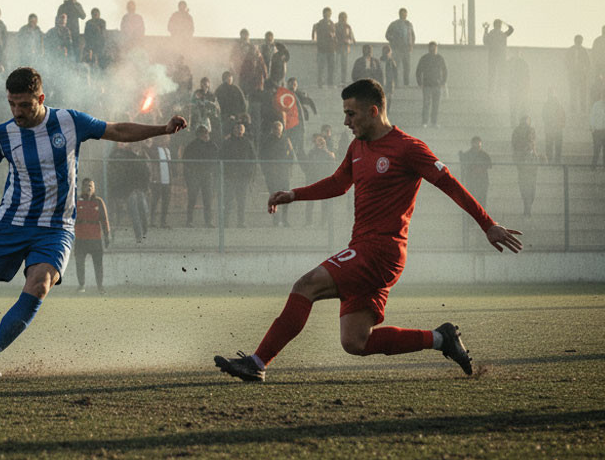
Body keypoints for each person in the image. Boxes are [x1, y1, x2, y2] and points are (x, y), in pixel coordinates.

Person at [214, 78, 523, 383]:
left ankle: (257, 362)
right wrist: (295, 194)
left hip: (381, 251)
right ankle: (442, 338)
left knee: (306, 285)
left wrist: (487, 224)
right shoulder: (357, 146)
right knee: (355, 342)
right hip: (364, 248)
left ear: (373, 111)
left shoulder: (408, 148)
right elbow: (338, 183)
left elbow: (450, 184)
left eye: (351, 113)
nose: (346, 121)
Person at [0, 66, 186, 378]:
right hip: (11, 224)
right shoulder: (5, 133)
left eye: (25, 104)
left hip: (56, 228)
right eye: (12, 104)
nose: (17, 112)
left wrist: (162, 129)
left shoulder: (70, 122)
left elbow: (117, 130)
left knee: (40, 285)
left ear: (41, 98)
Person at [73, 178, 110, 294]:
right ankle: (81, 285)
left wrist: (107, 235)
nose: (89, 188)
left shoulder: (98, 202)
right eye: (87, 186)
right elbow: (70, 219)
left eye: (91, 186)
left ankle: (100, 287)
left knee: (98, 264)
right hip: (80, 239)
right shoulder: (76, 201)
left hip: (95, 239)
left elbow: (104, 220)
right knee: (79, 263)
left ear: (94, 188)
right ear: (82, 188)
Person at [182, 123, 219, 227]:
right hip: (195, 175)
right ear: (198, 135)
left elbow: (216, 158)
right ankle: (189, 221)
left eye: (206, 133)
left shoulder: (212, 145)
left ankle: (208, 221)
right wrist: (192, 171)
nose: (206, 135)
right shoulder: (192, 146)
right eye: (203, 133)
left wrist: (212, 170)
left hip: (207, 175)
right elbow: (186, 160)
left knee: (207, 199)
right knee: (192, 198)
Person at [222, 122, 256, 227]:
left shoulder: (248, 142)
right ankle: (225, 222)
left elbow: (253, 159)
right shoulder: (227, 143)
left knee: (242, 201)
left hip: (243, 176)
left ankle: (241, 222)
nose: (239, 130)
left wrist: (250, 174)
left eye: (241, 128)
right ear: (233, 130)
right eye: (237, 128)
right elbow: (221, 157)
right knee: (228, 200)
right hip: (230, 176)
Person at [301, 133, 336, 227]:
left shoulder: (329, 152)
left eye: (322, 140)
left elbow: (333, 162)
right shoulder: (312, 152)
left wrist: (326, 150)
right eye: (318, 140)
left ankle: (323, 222)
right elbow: (308, 165)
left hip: (324, 180)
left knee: (324, 202)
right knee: (310, 202)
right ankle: (308, 222)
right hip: (313, 179)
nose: (320, 142)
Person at [511, 115, 539, 217]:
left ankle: (527, 207)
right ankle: (527, 208)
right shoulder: (518, 131)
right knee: (525, 189)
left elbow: (534, 144)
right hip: (523, 167)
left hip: (531, 170)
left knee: (530, 191)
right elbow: (514, 144)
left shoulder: (530, 131)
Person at [415, 42, 448, 127]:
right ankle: (424, 122)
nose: (433, 50)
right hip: (427, 85)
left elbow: (445, 71)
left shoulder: (440, 58)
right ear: (429, 48)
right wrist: (419, 83)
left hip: (437, 85)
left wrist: (443, 82)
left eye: (434, 48)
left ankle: (434, 122)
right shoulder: (424, 58)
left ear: (437, 48)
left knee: (436, 105)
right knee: (426, 104)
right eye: (431, 48)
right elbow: (418, 71)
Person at [383, 8, 415, 86]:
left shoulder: (409, 24)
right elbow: (387, 35)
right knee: (396, 66)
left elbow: (413, 36)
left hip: (407, 49)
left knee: (407, 67)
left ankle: (406, 84)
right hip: (397, 49)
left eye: (405, 14)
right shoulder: (394, 24)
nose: (404, 15)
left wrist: (412, 45)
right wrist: (394, 40)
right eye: (402, 14)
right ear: (399, 14)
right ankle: (396, 83)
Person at [483, 19, 515, 93]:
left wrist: (485, 30)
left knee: (491, 74)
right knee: (501, 74)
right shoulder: (502, 35)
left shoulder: (491, 34)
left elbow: (485, 41)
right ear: (500, 26)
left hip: (492, 57)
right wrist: (506, 23)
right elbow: (511, 29)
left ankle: (490, 90)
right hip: (501, 57)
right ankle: (499, 90)